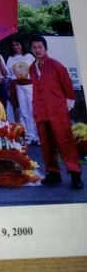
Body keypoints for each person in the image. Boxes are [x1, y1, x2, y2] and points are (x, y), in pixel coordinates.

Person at [29, 34, 83, 189]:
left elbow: (67, 86)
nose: (37, 50)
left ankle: (75, 174)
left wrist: (67, 106)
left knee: (65, 143)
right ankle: (53, 173)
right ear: (31, 49)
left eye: (40, 47)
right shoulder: (32, 68)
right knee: (46, 145)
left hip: (57, 111)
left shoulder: (56, 66)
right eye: (34, 47)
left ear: (45, 48)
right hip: (41, 112)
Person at [6, 37, 39, 145]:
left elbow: (37, 71)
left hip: (30, 85)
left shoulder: (29, 56)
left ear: (22, 45)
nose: (16, 47)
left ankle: (38, 136)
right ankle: (29, 135)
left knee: (33, 110)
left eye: (18, 45)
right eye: (14, 45)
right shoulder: (11, 58)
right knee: (24, 112)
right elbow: (9, 74)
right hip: (18, 86)